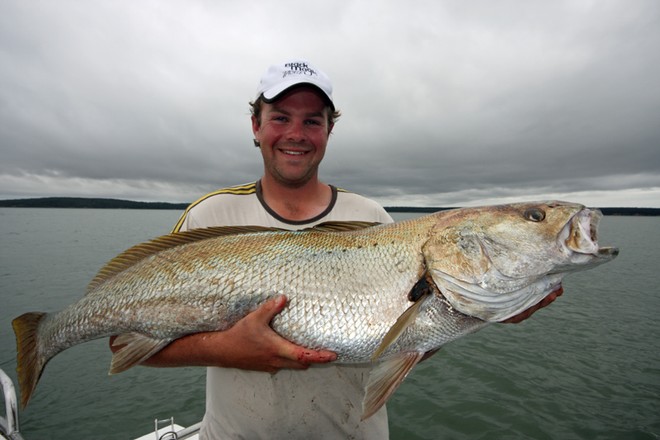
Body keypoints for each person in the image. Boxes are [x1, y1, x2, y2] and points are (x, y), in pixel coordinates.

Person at [111, 59, 562, 439]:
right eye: (281, 117)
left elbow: (405, 339)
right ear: (256, 125)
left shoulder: (372, 218)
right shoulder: (209, 218)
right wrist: (226, 349)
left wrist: (484, 309)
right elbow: (122, 343)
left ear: (329, 130)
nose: (296, 133)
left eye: (313, 120)